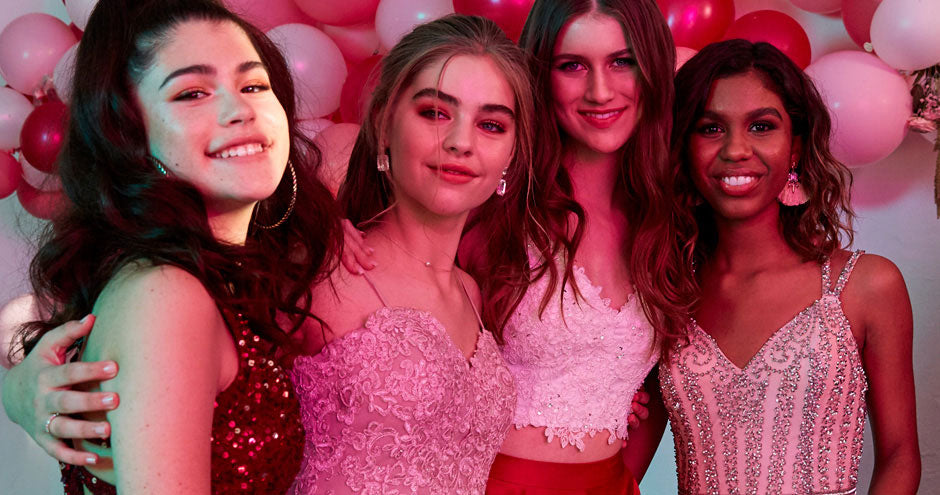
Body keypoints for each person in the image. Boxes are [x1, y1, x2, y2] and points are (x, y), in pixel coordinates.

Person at [3, 0, 340, 492]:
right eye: (192, 93)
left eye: (253, 85)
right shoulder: (167, 294)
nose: (239, 109)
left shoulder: (208, 276)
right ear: (131, 136)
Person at [287, 14, 535, 493]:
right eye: (435, 114)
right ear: (383, 124)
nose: (461, 143)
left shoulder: (471, 292)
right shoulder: (323, 271)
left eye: (490, 124)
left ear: (511, 154)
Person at [661, 39, 921, 494]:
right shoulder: (666, 294)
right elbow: (614, 457)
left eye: (761, 126)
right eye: (710, 128)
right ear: (682, 147)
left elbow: (900, 456)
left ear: (795, 146)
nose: (736, 149)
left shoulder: (865, 286)